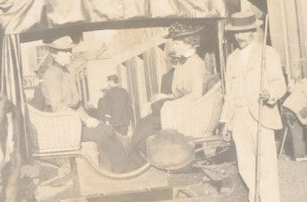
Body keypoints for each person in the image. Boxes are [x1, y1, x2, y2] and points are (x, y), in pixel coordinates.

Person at [219, 11, 287, 202]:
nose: (239, 36)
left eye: (243, 32)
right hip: (238, 117)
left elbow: (279, 83)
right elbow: (229, 93)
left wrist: (270, 94)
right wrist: (225, 121)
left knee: (265, 165)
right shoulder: (232, 58)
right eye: (236, 32)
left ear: (253, 31)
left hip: (261, 115)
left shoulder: (267, 53)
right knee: (246, 166)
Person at [33, 36, 134, 171]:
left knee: (107, 129)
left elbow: (77, 104)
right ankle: (111, 171)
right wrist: (84, 120)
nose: (69, 54)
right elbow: (58, 107)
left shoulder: (65, 71)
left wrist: (88, 118)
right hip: (64, 126)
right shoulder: (52, 74)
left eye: (70, 50)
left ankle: (122, 168)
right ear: (54, 54)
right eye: (65, 51)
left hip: (73, 122)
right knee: (103, 134)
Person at [131, 23, 210, 150]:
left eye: (176, 44)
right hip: (178, 110)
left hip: (188, 113)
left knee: (145, 129)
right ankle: (140, 156)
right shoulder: (182, 63)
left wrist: (172, 103)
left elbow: (196, 94)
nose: (173, 47)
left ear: (188, 43)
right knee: (141, 123)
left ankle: (143, 157)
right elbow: (178, 92)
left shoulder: (196, 64)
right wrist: (165, 96)